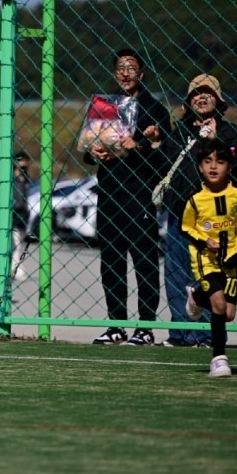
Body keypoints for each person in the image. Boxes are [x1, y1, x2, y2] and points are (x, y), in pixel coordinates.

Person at [85, 49, 170, 345]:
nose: (125, 73)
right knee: (110, 260)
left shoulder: (155, 109)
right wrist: (91, 150)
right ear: (114, 73)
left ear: (142, 73)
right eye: (120, 68)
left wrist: (140, 147)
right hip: (109, 192)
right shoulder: (105, 105)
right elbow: (88, 143)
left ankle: (145, 326)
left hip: (140, 194)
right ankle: (116, 324)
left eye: (131, 67)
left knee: (144, 259)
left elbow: (165, 159)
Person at [158, 74, 237, 346]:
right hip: (181, 215)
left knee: (211, 275)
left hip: (216, 221)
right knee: (176, 273)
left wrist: (214, 139)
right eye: (196, 93)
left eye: (209, 92)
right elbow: (163, 162)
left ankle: (209, 334)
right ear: (188, 101)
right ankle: (181, 333)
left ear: (219, 100)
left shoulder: (229, 132)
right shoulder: (179, 132)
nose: (202, 96)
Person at [180, 139, 237, 377]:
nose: (213, 167)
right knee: (219, 305)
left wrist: (236, 254)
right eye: (207, 162)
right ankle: (219, 358)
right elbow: (186, 228)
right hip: (205, 260)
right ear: (200, 167)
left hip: (230, 261)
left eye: (220, 162)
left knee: (228, 314)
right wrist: (204, 242)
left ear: (229, 167)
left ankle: (196, 296)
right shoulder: (195, 199)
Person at [11, 151, 32, 282]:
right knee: (15, 243)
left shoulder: (25, 178)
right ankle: (15, 268)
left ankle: (17, 267)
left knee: (19, 243)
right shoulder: (10, 177)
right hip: (12, 212)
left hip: (22, 213)